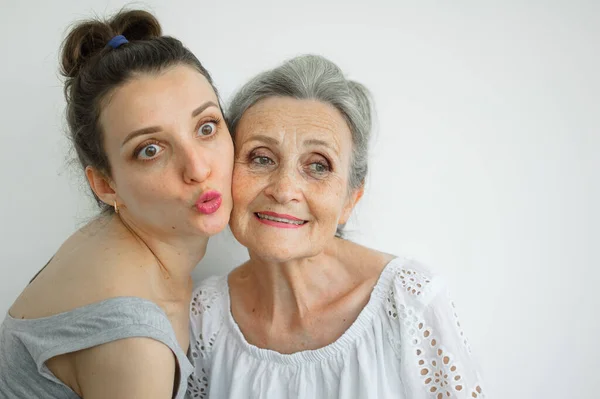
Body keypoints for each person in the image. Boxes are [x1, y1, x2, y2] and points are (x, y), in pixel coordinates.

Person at [187, 55, 485, 399]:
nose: (284, 190)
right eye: (261, 158)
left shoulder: (409, 301)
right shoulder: (203, 316)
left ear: (350, 199)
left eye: (317, 166)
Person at [0, 9, 233, 399]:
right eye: (151, 149)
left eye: (206, 127)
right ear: (106, 185)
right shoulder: (133, 342)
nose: (197, 168)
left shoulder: (113, 241)